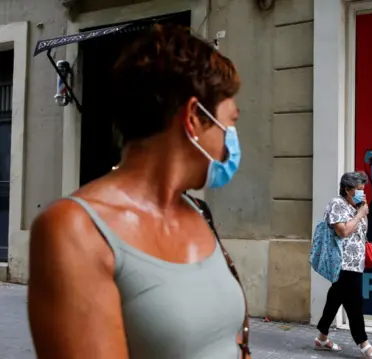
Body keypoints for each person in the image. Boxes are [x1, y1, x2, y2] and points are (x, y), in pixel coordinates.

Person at [27, 24, 249, 359]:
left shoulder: (197, 212)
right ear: (193, 117)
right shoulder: (74, 230)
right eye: (229, 122)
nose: (231, 139)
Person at [315, 171, 372, 358]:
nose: (363, 193)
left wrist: (360, 211)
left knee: (335, 299)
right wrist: (360, 214)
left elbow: (359, 234)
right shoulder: (337, 204)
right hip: (343, 262)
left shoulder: (358, 205)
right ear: (347, 189)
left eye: (364, 189)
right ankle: (364, 345)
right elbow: (343, 232)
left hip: (356, 262)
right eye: (359, 189)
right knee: (355, 303)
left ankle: (321, 338)